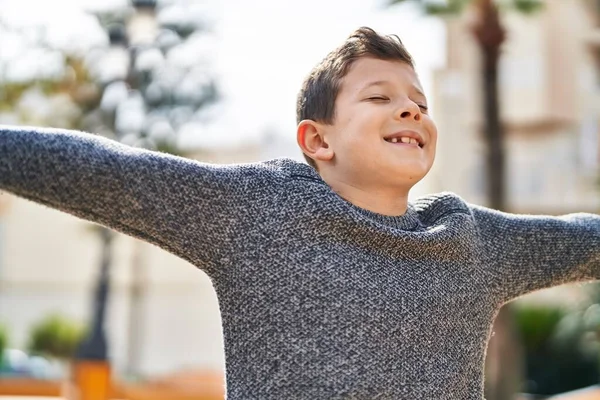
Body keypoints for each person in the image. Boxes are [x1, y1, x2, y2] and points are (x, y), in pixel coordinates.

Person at [1, 26, 599, 400]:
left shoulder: (470, 239)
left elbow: (585, 239)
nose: (412, 111)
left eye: (420, 102)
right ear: (317, 140)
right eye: (380, 97)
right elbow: (102, 172)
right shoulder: (258, 212)